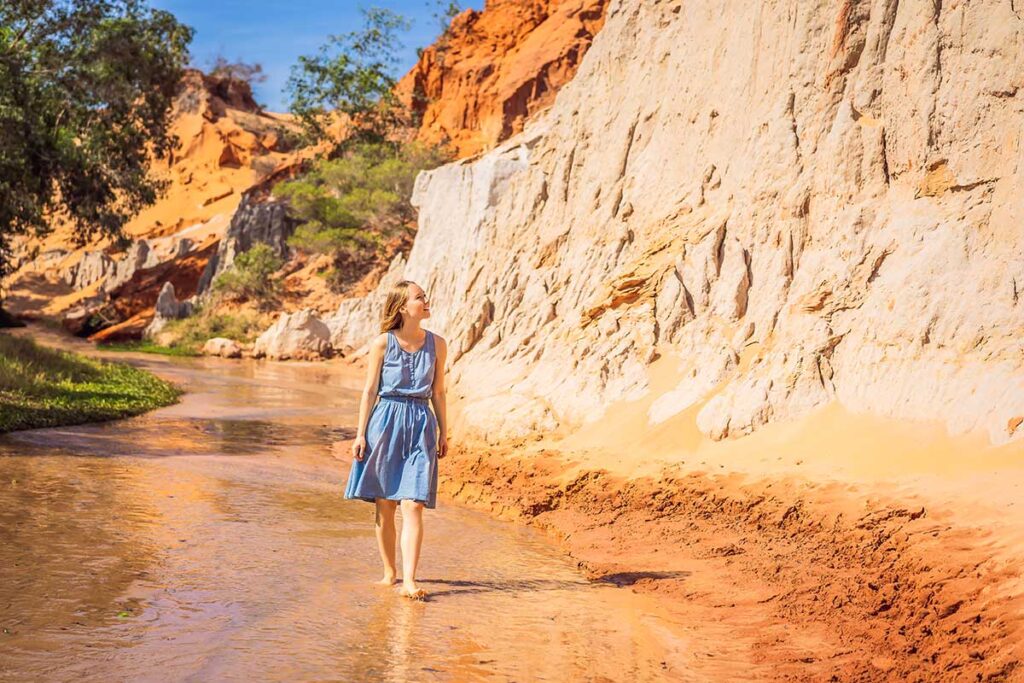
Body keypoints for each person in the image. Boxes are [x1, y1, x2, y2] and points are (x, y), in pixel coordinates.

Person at [344, 280, 449, 600]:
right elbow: (369, 391)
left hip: (420, 424)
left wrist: (445, 431)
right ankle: (390, 573)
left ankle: (409, 581)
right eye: (420, 298)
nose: (426, 301)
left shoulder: (438, 344)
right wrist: (361, 433)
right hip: (385, 421)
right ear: (403, 307)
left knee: (414, 503)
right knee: (385, 503)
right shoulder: (382, 343)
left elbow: (439, 391)